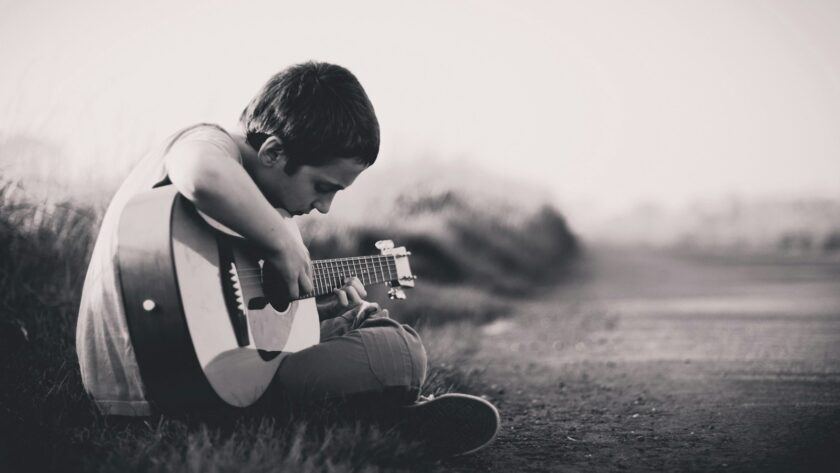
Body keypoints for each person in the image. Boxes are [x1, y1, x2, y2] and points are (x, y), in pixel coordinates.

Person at [76, 61, 498, 458]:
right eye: (323, 186)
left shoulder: (250, 201)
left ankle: (366, 413)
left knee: (353, 318)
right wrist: (282, 242)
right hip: (164, 386)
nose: (325, 207)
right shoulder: (207, 142)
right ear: (273, 152)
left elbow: (223, 311)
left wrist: (310, 310)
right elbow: (201, 174)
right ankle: (375, 411)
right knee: (402, 350)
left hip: (183, 377)